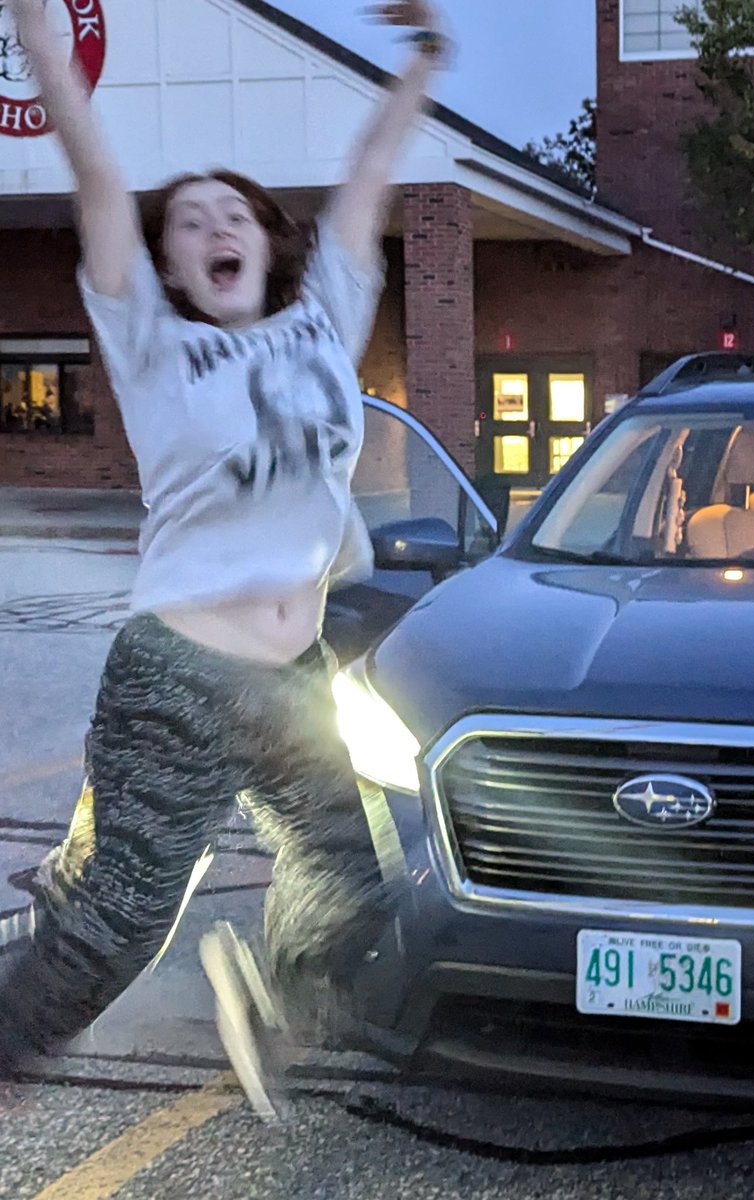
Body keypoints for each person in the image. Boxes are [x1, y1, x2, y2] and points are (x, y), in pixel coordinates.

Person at [0, 0, 448, 1120]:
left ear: (262, 236)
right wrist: (46, 52)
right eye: (188, 221)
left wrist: (425, 63)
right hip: (177, 678)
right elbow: (100, 183)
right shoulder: (155, 345)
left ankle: (262, 995)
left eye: (230, 211)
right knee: (115, 936)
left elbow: (366, 174)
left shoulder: (322, 323)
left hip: (293, 677)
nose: (212, 226)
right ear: (171, 263)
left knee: (352, 893)